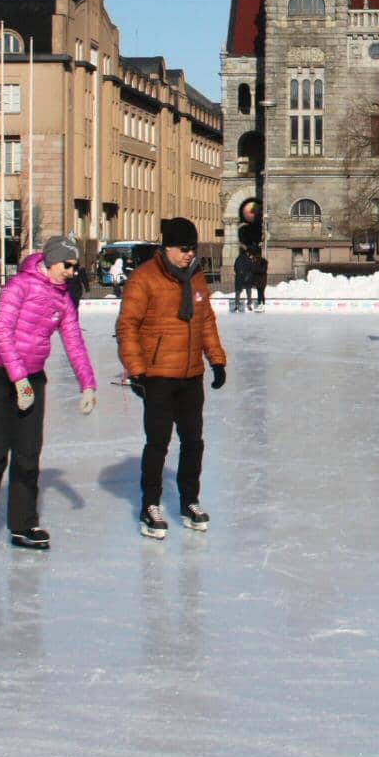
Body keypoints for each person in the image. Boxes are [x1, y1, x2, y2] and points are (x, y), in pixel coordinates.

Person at [0, 235, 97, 553]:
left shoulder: (64, 299)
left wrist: (88, 383)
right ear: (52, 261)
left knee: (27, 453)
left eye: (75, 266)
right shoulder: (19, 287)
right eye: (68, 265)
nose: (71, 272)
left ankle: (23, 524)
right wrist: (18, 379)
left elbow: (74, 340)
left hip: (32, 379)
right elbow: (2, 331)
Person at [117, 217, 227, 540]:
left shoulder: (196, 279)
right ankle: (150, 505)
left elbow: (206, 321)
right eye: (183, 248)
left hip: (191, 375)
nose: (189, 254)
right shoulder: (144, 279)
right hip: (158, 376)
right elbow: (127, 327)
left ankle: (189, 501)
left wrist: (217, 360)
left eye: (192, 248)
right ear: (166, 247)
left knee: (194, 442)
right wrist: (136, 370)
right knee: (158, 443)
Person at [232, 248, 254, 313]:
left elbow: (235, 268)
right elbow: (252, 270)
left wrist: (239, 273)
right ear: (246, 253)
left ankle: (237, 305)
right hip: (247, 277)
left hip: (239, 277)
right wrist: (248, 276)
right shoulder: (249, 260)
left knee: (238, 292)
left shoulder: (237, 259)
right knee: (249, 291)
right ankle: (249, 305)